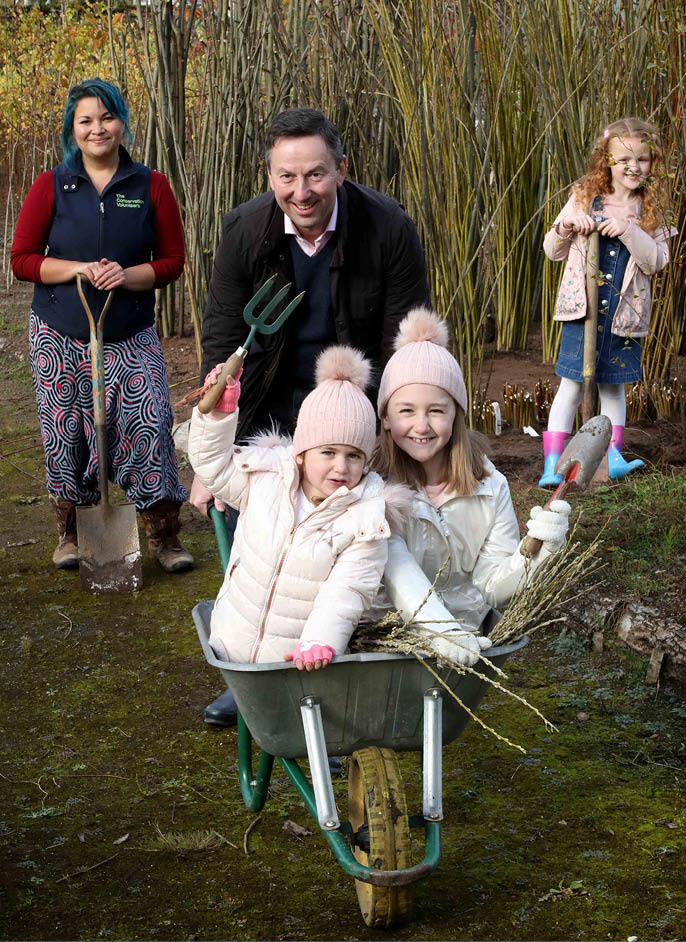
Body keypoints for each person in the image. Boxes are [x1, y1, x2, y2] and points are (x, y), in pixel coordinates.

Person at [193, 106, 430, 721]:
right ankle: (257, 674)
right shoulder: (245, 231)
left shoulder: (388, 229)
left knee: (364, 535)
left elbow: (404, 344)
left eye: (316, 175)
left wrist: (395, 439)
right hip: (271, 408)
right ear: (270, 176)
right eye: (287, 178)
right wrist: (216, 451)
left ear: (341, 170)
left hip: (357, 406)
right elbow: (224, 339)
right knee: (268, 538)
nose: (302, 192)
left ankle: (343, 656)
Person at [10, 78, 193, 574]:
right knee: (66, 430)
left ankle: (164, 535)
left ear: (121, 122)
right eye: (85, 120)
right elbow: (22, 260)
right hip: (60, 332)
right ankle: (72, 534)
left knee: (150, 423)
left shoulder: (149, 185)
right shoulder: (51, 186)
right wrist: (76, 268)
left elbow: (173, 261)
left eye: (106, 117)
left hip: (129, 331)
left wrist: (127, 275)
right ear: (73, 129)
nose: (98, 129)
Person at [370, 308, 571, 665]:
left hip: (466, 646)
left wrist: (541, 554)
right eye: (405, 411)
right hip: (385, 641)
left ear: (456, 413)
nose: (422, 425)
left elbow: (492, 588)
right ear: (385, 417)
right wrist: (440, 633)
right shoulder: (374, 488)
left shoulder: (489, 487)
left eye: (436, 410)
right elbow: (394, 577)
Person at [188, 346, 407, 668]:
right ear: (301, 453)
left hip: (297, 660)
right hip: (232, 639)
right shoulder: (265, 479)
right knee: (245, 689)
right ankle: (241, 694)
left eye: (354, 456)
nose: (341, 468)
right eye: (328, 452)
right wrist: (218, 415)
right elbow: (211, 466)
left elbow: (347, 591)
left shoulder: (365, 519)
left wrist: (322, 639)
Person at [539, 117, 675, 487]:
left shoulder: (651, 210)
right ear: (607, 161)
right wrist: (566, 227)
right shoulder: (585, 196)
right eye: (624, 159)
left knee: (613, 387)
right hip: (581, 312)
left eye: (643, 159)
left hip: (624, 317)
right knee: (569, 386)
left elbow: (656, 261)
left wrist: (630, 231)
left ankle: (611, 456)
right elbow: (552, 251)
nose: (634, 167)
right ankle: (553, 463)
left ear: (654, 162)